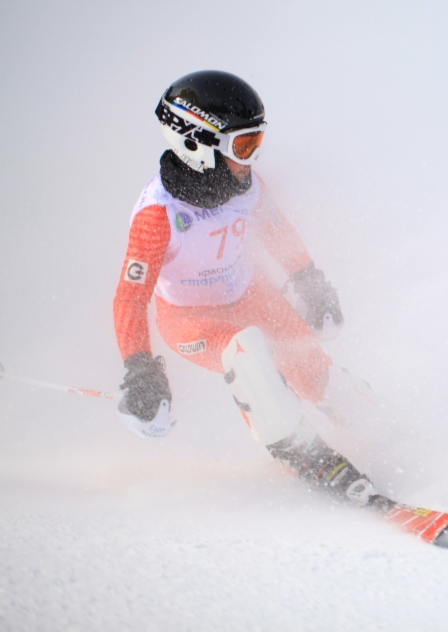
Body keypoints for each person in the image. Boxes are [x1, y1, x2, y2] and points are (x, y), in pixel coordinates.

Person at [113, 70, 381, 506]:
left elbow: (277, 230)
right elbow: (131, 297)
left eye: (256, 143)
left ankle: (390, 432)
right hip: (192, 318)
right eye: (243, 146)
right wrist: (140, 368)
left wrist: (308, 278)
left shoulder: (246, 186)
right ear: (198, 144)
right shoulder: (158, 214)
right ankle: (306, 455)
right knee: (249, 353)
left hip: (253, 296)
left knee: (312, 367)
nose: (251, 159)